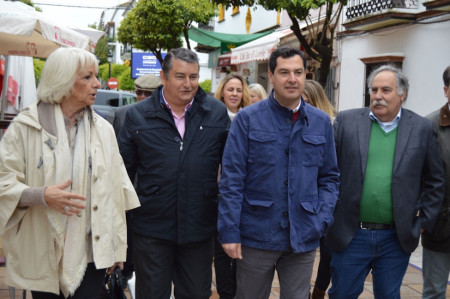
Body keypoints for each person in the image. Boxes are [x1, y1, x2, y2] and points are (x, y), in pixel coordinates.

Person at [0, 47, 140, 299]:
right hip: (43, 248)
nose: (97, 83)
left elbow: (116, 196)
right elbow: (3, 182)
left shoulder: (104, 130)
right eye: (87, 77)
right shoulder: (25, 127)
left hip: (92, 251)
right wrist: (40, 195)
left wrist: (117, 252)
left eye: (96, 76)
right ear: (62, 80)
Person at [218, 47, 340, 299]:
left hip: (304, 235)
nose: (292, 79)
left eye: (298, 72)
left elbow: (329, 177)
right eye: (284, 72)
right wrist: (229, 230)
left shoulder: (320, 122)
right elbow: (232, 179)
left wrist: (322, 219)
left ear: (306, 76)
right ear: (271, 76)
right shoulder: (247, 119)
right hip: (256, 235)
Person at [118, 47, 230, 299]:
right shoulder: (138, 116)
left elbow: (231, 168)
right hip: (151, 230)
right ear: (163, 77)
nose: (188, 84)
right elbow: (122, 174)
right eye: (180, 76)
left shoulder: (216, 112)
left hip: (199, 229)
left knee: (196, 294)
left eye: (193, 76)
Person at [325, 65, 445, 299]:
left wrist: (422, 221)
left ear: (403, 94)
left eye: (386, 90)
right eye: (374, 89)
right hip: (350, 234)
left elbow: (435, 180)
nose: (378, 95)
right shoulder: (347, 122)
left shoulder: (421, 128)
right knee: (342, 294)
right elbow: (328, 171)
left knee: (389, 296)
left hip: (395, 238)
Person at [112, 74, 161, 285]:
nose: (141, 97)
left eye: (147, 93)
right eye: (138, 92)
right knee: (127, 233)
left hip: (153, 191)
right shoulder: (122, 114)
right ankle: (124, 272)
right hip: (127, 186)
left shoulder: (165, 116)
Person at [302, 79, 336, 299]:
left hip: (325, 200)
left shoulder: (330, 126)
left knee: (327, 254)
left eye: (306, 102)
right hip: (303, 199)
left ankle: (319, 291)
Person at [421, 65, 450, 299]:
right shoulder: (429, 125)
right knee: (434, 291)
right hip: (441, 223)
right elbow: (419, 175)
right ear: (446, 90)